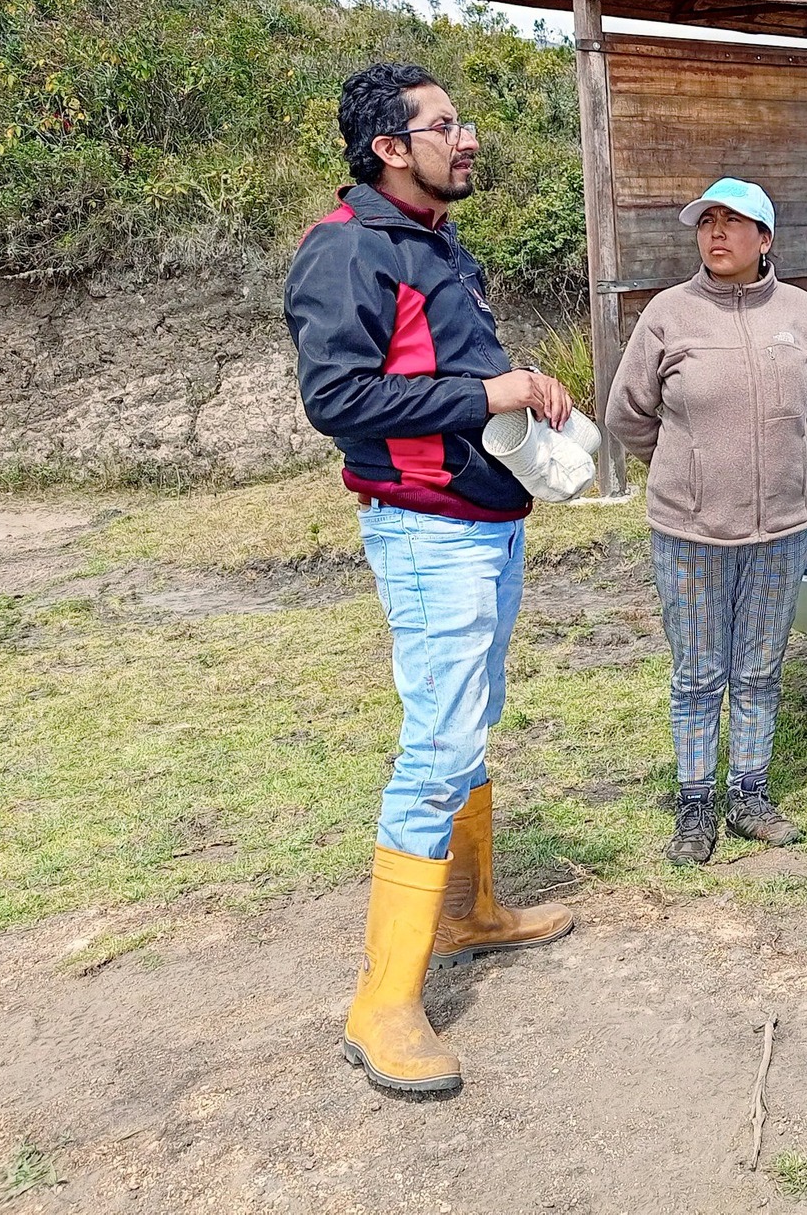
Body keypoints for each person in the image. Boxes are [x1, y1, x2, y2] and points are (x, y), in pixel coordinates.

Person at [286, 62, 575, 1095]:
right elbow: (338, 401)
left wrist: (518, 388)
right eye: (445, 124)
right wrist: (487, 393)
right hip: (425, 533)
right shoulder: (346, 249)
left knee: (471, 720)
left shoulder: (438, 244)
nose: (469, 137)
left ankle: (467, 911)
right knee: (438, 743)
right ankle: (382, 1005)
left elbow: (440, 371)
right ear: (390, 148)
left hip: (484, 520)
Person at [605, 178, 807, 865]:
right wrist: (689, 465)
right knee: (698, 673)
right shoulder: (669, 314)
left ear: (765, 238)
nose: (716, 233)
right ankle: (696, 803)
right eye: (707, 221)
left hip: (782, 528)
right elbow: (627, 413)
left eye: (732, 222)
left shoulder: (800, 312)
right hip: (690, 532)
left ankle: (750, 795)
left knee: (761, 668)